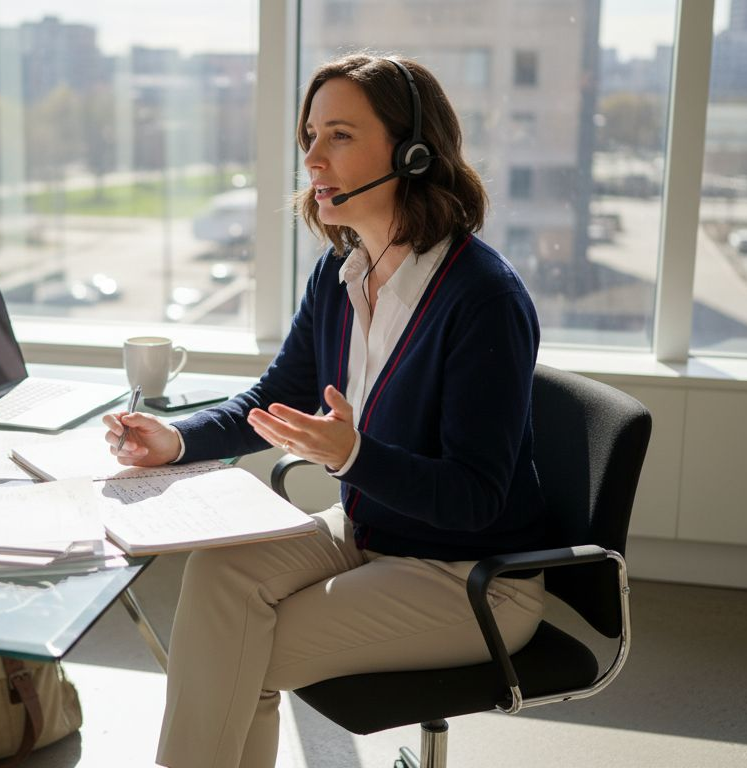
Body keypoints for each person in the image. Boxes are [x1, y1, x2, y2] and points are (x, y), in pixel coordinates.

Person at [103, 53, 547, 768]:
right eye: (309, 135)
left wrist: (352, 456)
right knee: (218, 578)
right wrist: (175, 441)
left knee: (236, 654)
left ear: (412, 152)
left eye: (338, 135)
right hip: (370, 529)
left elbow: (475, 499)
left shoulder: (483, 299)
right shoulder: (341, 271)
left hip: (470, 574)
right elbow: (272, 396)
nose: (312, 158)